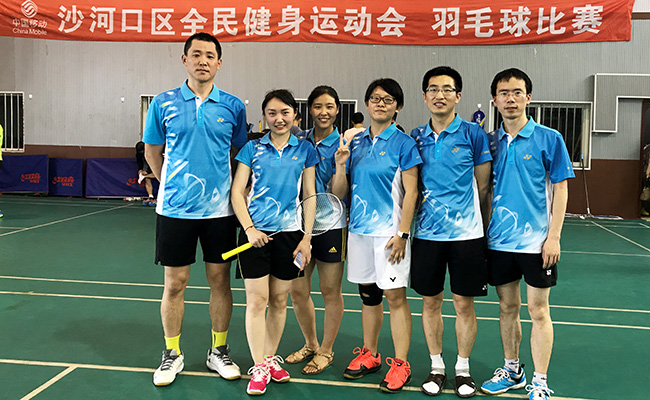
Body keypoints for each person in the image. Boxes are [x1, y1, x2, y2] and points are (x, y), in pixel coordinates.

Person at [143, 32, 247, 387]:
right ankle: (172, 353)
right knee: (175, 283)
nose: (203, 61)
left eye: (210, 56)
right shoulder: (162, 103)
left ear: (219, 63)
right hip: (175, 212)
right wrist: (170, 185)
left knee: (220, 281)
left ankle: (218, 350)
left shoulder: (233, 106)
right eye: (196, 54)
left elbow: (238, 154)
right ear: (184, 59)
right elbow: (152, 151)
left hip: (220, 213)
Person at [480, 68, 574, 400]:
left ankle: (540, 382)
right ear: (494, 100)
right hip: (499, 242)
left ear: (528, 98)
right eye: (503, 93)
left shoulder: (549, 138)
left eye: (517, 92)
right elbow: (484, 191)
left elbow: (561, 189)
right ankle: (512, 370)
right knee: (507, 307)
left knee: (538, 310)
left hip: (537, 243)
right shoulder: (490, 142)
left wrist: (554, 237)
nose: (510, 99)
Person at [410, 67, 492, 398]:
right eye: (433, 89)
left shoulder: (474, 134)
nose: (439, 95)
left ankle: (462, 369)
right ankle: (436, 367)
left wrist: (479, 230)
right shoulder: (415, 136)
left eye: (446, 89)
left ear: (458, 96)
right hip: (427, 235)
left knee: (463, 304)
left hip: (466, 237)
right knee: (430, 303)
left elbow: (483, 187)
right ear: (424, 96)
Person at [230, 89, 319, 396]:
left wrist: (306, 238)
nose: (278, 118)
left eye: (285, 112)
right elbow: (237, 191)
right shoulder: (251, 148)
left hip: (290, 236)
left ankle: (269, 359)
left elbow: (309, 195)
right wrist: (249, 229)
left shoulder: (305, 149)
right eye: (272, 113)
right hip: (255, 235)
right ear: (264, 116)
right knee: (257, 301)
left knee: (280, 301)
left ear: (295, 115)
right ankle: (258, 367)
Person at [340, 78, 421, 393]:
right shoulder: (355, 143)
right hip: (359, 232)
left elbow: (412, 192)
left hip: (390, 235)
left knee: (395, 297)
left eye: (388, 99)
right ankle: (370, 354)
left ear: (397, 106)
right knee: (368, 296)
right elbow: (342, 190)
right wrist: (339, 165)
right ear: (366, 104)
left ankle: (401, 364)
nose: (380, 104)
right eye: (375, 98)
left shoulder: (404, 143)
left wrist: (402, 233)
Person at [286, 86, 348, 375]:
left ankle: (326, 349)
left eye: (329, 107)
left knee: (329, 290)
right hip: (298, 227)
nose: (324, 112)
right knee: (297, 290)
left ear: (337, 110)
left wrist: (340, 165)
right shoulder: (298, 141)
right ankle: (311, 344)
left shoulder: (343, 145)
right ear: (309, 109)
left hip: (331, 227)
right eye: (318, 106)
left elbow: (339, 193)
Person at [135, 141, 156, 206]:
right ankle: (151, 197)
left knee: (159, 176)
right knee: (147, 180)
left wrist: (148, 171)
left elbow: (155, 162)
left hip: (155, 163)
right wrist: (140, 169)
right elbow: (139, 161)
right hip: (146, 164)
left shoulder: (152, 151)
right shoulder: (139, 154)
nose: (142, 152)